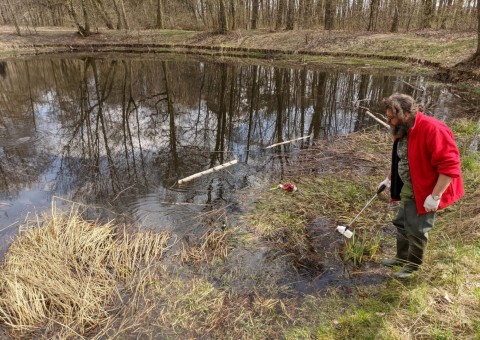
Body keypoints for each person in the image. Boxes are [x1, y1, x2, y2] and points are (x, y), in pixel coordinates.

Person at [378, 93, 464, 279]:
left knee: (417, 229)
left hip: (427, 189)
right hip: (410, 186)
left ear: (405, 114)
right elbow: (400, 157)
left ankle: (413, 267)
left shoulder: (433, 129)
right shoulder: (404, 129)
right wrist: (389, 178)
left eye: (391, 117)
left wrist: (435, 196)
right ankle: (401, 258)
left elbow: (450, 167)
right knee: (401, 223)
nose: (389, 121)